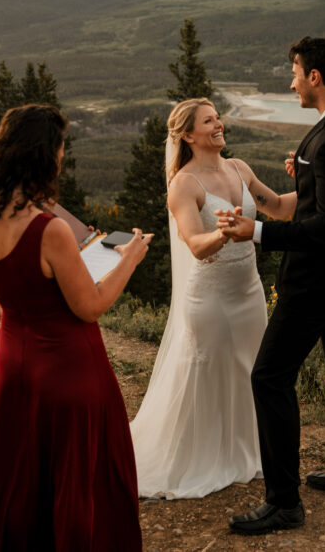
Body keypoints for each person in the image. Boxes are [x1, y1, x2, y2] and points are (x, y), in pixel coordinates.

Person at [218, 37, 325, 535]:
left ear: (315, 76)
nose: (291, 81)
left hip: (318, 281)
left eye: (294, 72)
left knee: (269, 377)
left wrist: (259, 231)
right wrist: (310, 180)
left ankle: (283, 502)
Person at [0, 104, 150, 551]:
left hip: (14, 362)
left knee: (24, 480)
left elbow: (17, 284)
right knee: (82, 481)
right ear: (47, 155)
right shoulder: (48, 230)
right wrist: (129, 260)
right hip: (69, 368)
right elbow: (90, 306)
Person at [129, 98, 296, 499]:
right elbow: (195, 244)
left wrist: (314, 182)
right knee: (211, 374)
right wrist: (226, 232)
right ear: (188, 135)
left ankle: (248, 451)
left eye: (218, 117)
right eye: (209, 120)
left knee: (250, 372)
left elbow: (280, 209)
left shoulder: (240, 168)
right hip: (212, 298)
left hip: (249, 292)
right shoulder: (184, 185)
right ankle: (204, 456)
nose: (219, 124)